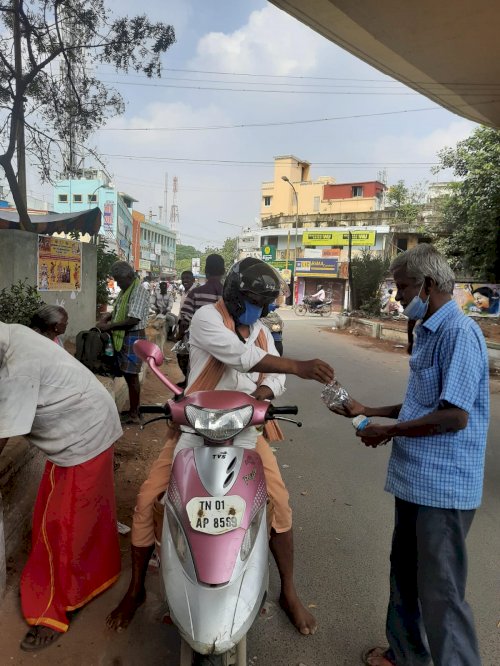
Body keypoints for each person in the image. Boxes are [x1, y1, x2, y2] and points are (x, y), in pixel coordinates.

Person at [107, 258, 334, 636]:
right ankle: (136, 591)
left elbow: (272, 380)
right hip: (195, 425)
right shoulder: (207, 319)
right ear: (233, 293)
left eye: (262, 303)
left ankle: (289, 592)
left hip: (244, 427)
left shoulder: (261, 331)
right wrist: (297, 366)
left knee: (279, 503)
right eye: (251, 300)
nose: (256, 310)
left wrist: (260, 395)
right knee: (148, 499)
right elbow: (241, 357)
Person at [331, 244, 489, 666]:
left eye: (403, 287)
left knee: (441, 591)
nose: (398, 297)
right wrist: (370, 411)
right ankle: (404, 654)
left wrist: (388, 432)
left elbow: (454, 416)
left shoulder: (459, 334)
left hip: (443, 486)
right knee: (404, 571)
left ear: (430, 285)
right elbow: (424, 403)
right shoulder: (430, 331)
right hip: (416, 480)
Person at [0, 322, 122, 652]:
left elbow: (3, 435)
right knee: (69, 514)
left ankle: (55, 611)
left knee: (63, 526)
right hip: (81, 428)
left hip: (84, 435)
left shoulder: (18, 364)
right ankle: (96, 574)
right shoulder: (11, 335)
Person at [99, 261, 150, 425]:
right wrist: (108, 316)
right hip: (125, 336)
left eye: (120, 280)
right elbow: (121, 309)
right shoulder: (126, 291)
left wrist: (109, 326)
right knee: (127, 374)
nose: (119, 284)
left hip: (133, 336)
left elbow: (133, 319)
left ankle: (134, 413)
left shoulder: (137, 291)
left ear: (129, 276)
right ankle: (134, 410)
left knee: (132, 375)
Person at [176, 255, 225, 388]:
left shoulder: (195, 293)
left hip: (198, 346)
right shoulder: (228, 295)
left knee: (194, 377)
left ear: (206, 272)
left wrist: (179, 336)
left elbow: (185, 321)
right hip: (224, 345)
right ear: (223, 272)